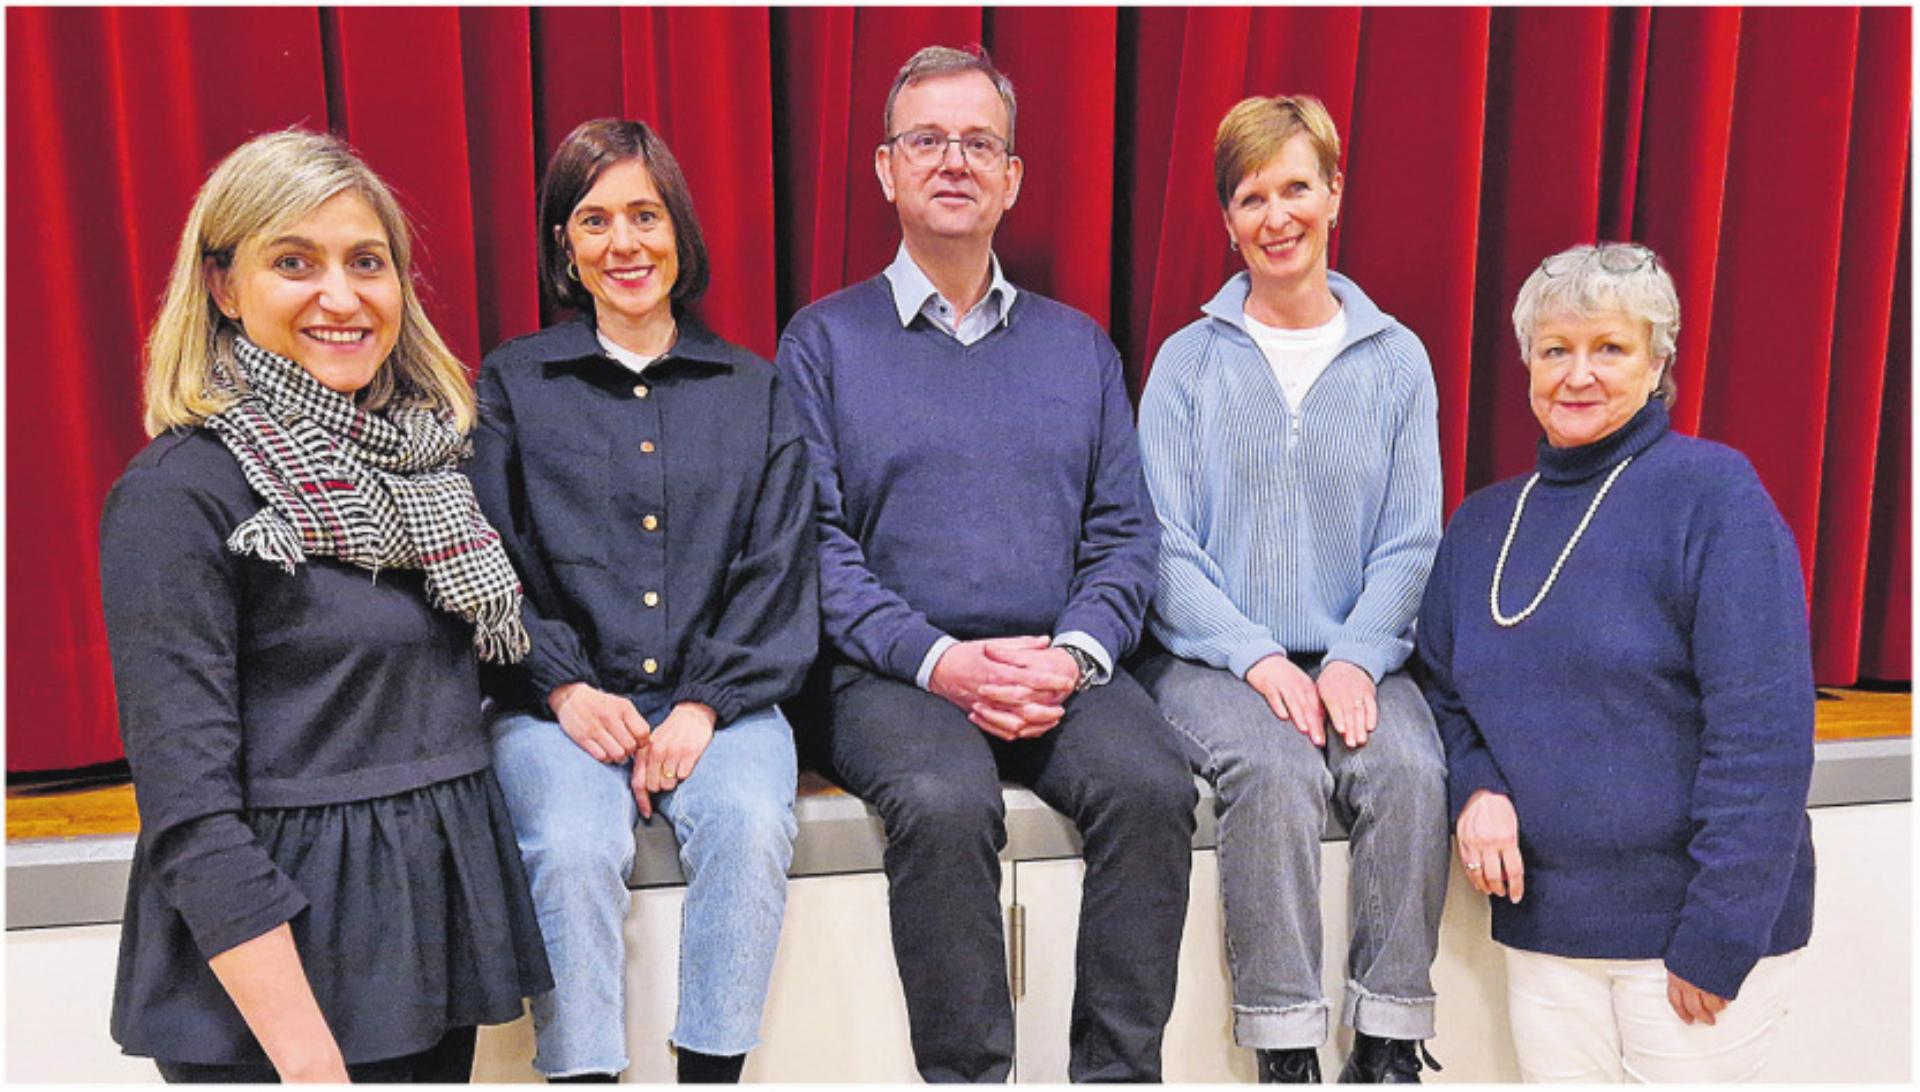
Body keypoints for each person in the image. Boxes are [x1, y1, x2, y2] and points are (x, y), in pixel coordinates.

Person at [775, 45, 1198, 1083]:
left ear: (1012, 178)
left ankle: (1117, 1074)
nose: (952, 161)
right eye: (926, 140)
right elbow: (814, 546)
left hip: (1056, 661)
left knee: (1152, 785)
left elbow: (1122, 537)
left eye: (979, 143)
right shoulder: (822, 343)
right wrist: (941, 664)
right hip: (887, 675)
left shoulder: (1078, 348)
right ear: (885, 169)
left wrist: (1075, 656)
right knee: (943, 798)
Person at [99, 127, 551, 1083]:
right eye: (294, 263)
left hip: (424, 936)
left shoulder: (432, 468)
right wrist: (308, 1061)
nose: (341, 298)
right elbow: (191, 816)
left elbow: (496, 652)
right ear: (223, 285)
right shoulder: (180, 495)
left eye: (367, 263)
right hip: (279, 978)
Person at [466, 117, 817, 1085]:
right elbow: (488, 556)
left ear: (680, 234)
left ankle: (711, 1072)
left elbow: (779, 565)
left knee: (749, 825)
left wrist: (704, 703)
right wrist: (565, 688)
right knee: (573, 845)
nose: (624, 244)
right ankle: (584, 1075)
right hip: (557, 706)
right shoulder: (511, 384)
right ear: (563, 248)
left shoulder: (755, 390)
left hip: (725, 702)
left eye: (645, 216)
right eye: (593, 221)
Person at [1416, 242, 1816, 1083]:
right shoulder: (1482, 525)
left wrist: (1718, 936)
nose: (1578, 374)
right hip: (1548, 934)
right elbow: (1441, 689)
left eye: (1610, 349)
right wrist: (1477, 784)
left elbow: (1763, 735)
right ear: (1527, 360)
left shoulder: (1715, 497)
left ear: (1659, 360)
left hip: (1687, 942)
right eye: (1556, 349)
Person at [1132, 94, 1448, 1084]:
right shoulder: (1185, 364)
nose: (1277, 217)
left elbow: (1412, 540)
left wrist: (1353, 656)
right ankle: (1286, 1050)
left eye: (1296, 188)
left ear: (1335, 192)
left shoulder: (1399, 363)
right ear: (1227, 219)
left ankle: (1391, 1039)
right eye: (1251, 196)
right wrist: (1259, 657)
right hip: (1212, 658)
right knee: (1274, 771)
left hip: (1362, 651)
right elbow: (1164, 546)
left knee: (1409, 770)